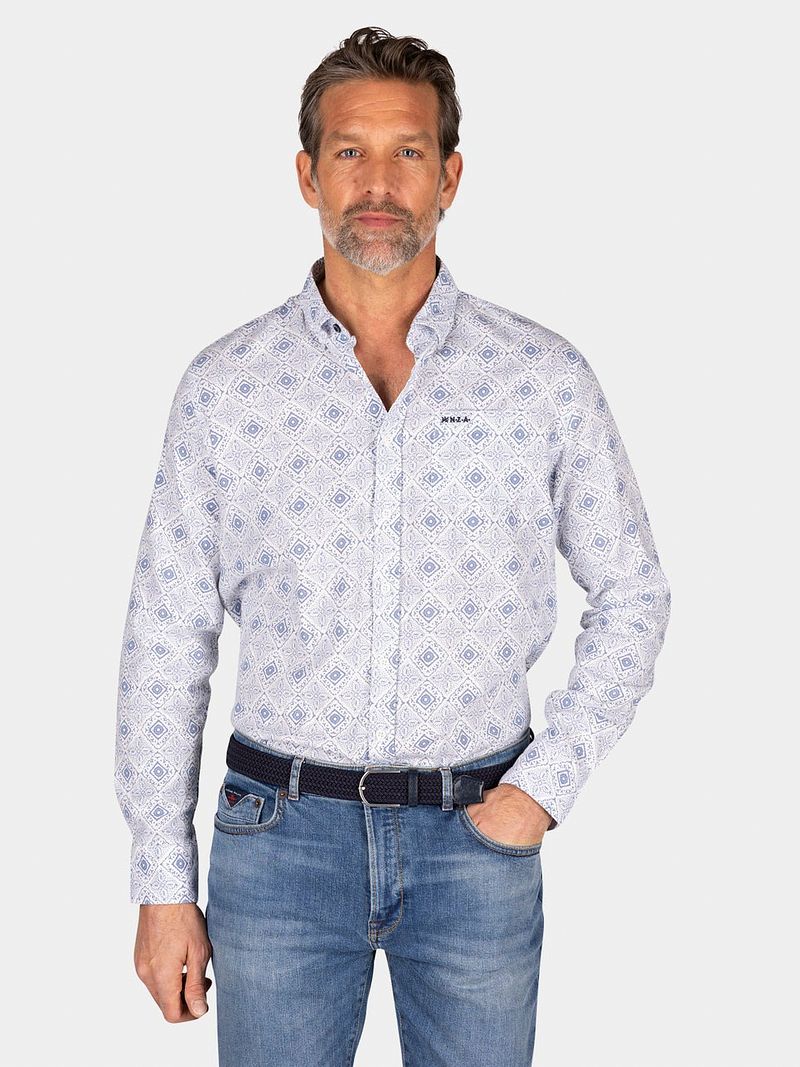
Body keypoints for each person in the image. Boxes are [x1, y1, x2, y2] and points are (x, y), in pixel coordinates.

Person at [114, 25, 671, 1067]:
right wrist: (161, 881)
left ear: (449, 176)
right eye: (350, 151)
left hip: (476, 840)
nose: (378, 183)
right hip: (277, 845)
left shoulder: (540, 378)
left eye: (408, 151)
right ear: (307, 175)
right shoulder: (227, 388)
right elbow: (165, 637)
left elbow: (633, 592)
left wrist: (542, 789)